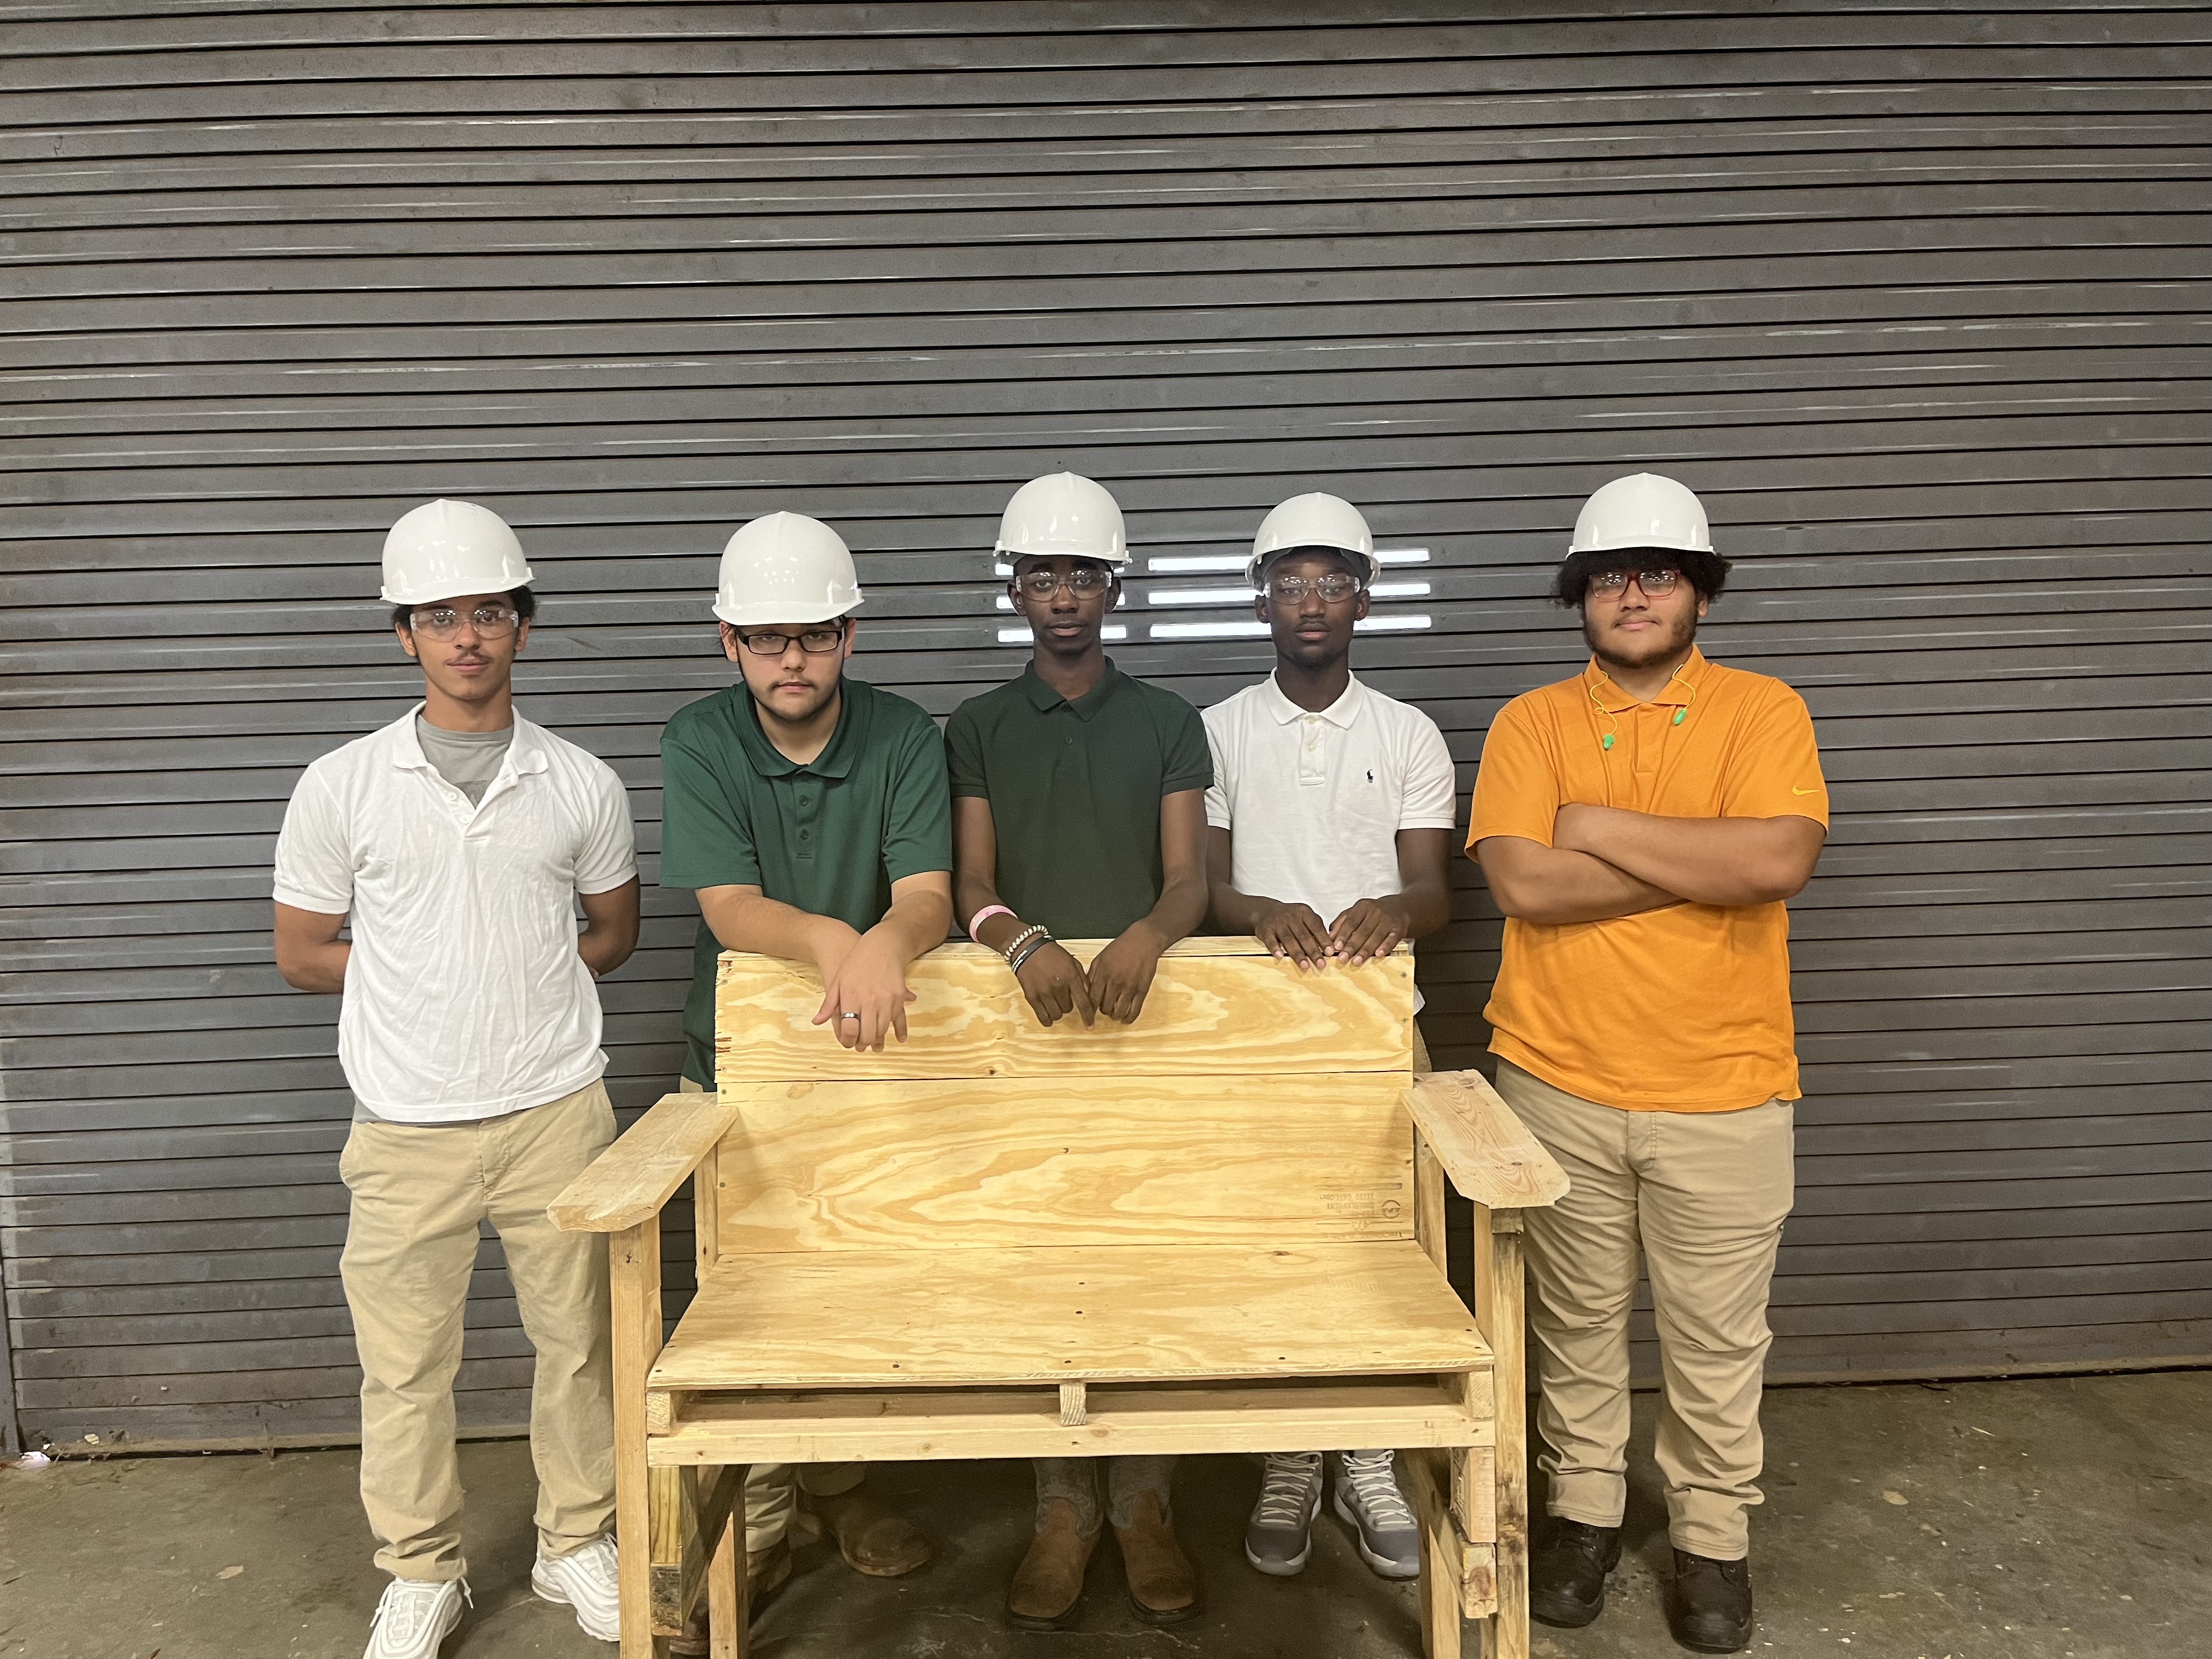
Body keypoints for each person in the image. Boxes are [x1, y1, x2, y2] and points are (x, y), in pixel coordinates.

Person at [273, 499, 641, 1659]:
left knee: (579, 1346)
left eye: (489, 611)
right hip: (405, 1125)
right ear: (405, 635)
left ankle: (575, 1540)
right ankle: (421, 1571)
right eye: (440, 616)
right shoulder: (343, 785)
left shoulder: (581, 783)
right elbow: (301, 952)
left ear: (521, 627)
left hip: (556, 1113)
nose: (467, 636)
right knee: (405, 1367)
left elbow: (613, 934)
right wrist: (420, 992)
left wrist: (512, 978)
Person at [1466, 473, 1829, 1655]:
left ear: (1699, 594)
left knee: (1718, 1340)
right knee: (1574, 1327)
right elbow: (1523, 882)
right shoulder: (1533, 723)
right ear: (1580, 594)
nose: (1634, 594)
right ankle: (1583, 1515)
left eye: (1659, 573)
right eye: (1612, 576)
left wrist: (1597, 828)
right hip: (1557, 1080)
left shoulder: (1765, 712)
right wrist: (1699, 860)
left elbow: (1777, 860)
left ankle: (1712, 1540)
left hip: (1726, 1088)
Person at [655, 510, 950, 1610]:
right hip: (737, 1064)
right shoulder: (699, 741)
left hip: (871, 1060)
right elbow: (728, 906)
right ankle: (761, 1505)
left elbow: (927, 895)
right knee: (746, 1297)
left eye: (816, 636)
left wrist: (891, 938)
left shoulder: (906, 736)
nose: (793, 658)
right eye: (769, 637)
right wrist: (839, 938)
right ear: (728, 641)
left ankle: (845, 1479)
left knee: (856, 1287)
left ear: (851, 638)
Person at [946, 472, 1212, 1630]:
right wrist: (1019, 943)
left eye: (1083, 575)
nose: (1063, 595)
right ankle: (1061, 1507)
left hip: (1145, 1033)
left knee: (1148, 1263)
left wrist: (1153, 933)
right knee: (1043, 1270)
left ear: (1115, 587)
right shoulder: (979, 726)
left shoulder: (1168, 721)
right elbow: (970, 883)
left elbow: (1190, 877)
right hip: (1030, 1030)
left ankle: (1146, 1504)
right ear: (1015, 589)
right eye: (1043, 575)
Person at [1201, 492, 1457, 1583]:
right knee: (1276, 1250)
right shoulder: (1217, 729)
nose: (1312, 603)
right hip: (1253, 1043)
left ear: (1366, 594)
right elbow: (1199, 883)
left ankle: (1372, 1457)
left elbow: (1435, 889)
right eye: (1291, 582)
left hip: (1377, 1033)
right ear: (1262, 598)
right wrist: (1255, 909)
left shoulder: (1407, 732)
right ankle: (1289, 1456)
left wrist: (1398, 911)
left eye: (1333, 582)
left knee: (1382, 1249)